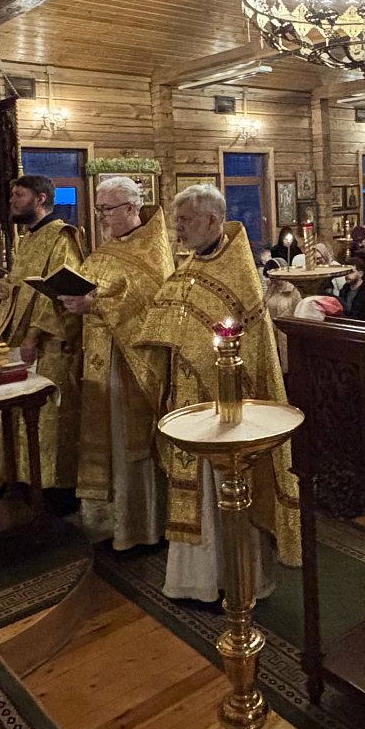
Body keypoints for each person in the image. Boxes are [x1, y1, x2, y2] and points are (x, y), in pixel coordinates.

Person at [137, 184, 299, 601]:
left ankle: (238, 579)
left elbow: (252, 348)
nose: (178, 228)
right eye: (177, 220)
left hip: (229, 403)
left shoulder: (238, 273)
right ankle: (196, 581)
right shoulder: (189, 264)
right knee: (195, 489)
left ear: (212, 220)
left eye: (186, 220)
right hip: (187, 395)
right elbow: (169, 324)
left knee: (225, 488)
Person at [59, 177, 174, 550]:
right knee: (104, 441)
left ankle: (139, 528)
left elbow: (153, 304)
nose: (101, 216)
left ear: (131, 208)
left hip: (131, 365)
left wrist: (95, 304)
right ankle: (106, 524)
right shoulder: (107, 248)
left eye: (106, 209)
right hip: (99, 358)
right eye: (99, 209)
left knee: (130, 444)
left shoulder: (153, 250)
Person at [0, 174, 84, 512]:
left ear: (40, 199)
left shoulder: (62, 237)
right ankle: (18, 483)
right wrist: (6, 287)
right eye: (13, 194)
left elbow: (57, 293)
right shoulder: (28, 238)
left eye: (19, 195)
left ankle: (50, 493)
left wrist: (32, 336)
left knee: (45, 420)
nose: (12, 200)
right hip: (17, 342)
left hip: (45, 346)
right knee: (15, 415)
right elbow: (26, 287)